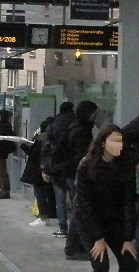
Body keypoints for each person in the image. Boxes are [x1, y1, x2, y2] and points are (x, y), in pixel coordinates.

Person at [73, 124, 138, 272]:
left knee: (129, 263)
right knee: (101, 266)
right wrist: (98, 238)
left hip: (114, 221)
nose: (119, 145)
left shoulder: (124, 166)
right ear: (103, 143)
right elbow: (84, 204)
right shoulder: (87, 166)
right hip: (89, 222)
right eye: (114, 140)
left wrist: (128, 238)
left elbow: (129, 203)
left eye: (121, 141)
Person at [50, 100, 99, 260]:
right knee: (80, 211)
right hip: (76, 175)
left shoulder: (76, 127)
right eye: (93, 113)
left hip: (72, 174)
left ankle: (77, 246)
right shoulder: (81, 131)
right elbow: (80, 157)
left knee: (80, 210)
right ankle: (74, 247)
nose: (95, 117)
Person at [41, 101, 76, 240]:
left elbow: (47, 147)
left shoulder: (54, 125)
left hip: (57, 167)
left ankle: (62, 227)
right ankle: (77, 229)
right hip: (73, 166)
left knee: (60, 199)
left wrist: (45, 167)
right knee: (77, 199)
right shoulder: (76, 124)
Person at [21, 118, 56, 227]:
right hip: (43, 169)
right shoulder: (51, 139)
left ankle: (43, 216)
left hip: (38, 170)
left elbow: (34, 154)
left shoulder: (42, 139)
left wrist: (24, 146)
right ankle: (48, 213)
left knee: (40, 193)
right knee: (46, 193)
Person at [0, 109, 17, 199]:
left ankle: (5, 191)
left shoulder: (4, 126)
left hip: (0, 151)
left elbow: (4, 139)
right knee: (0, 172)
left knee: (2, 172)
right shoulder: (2, 125)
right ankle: (2, 190)